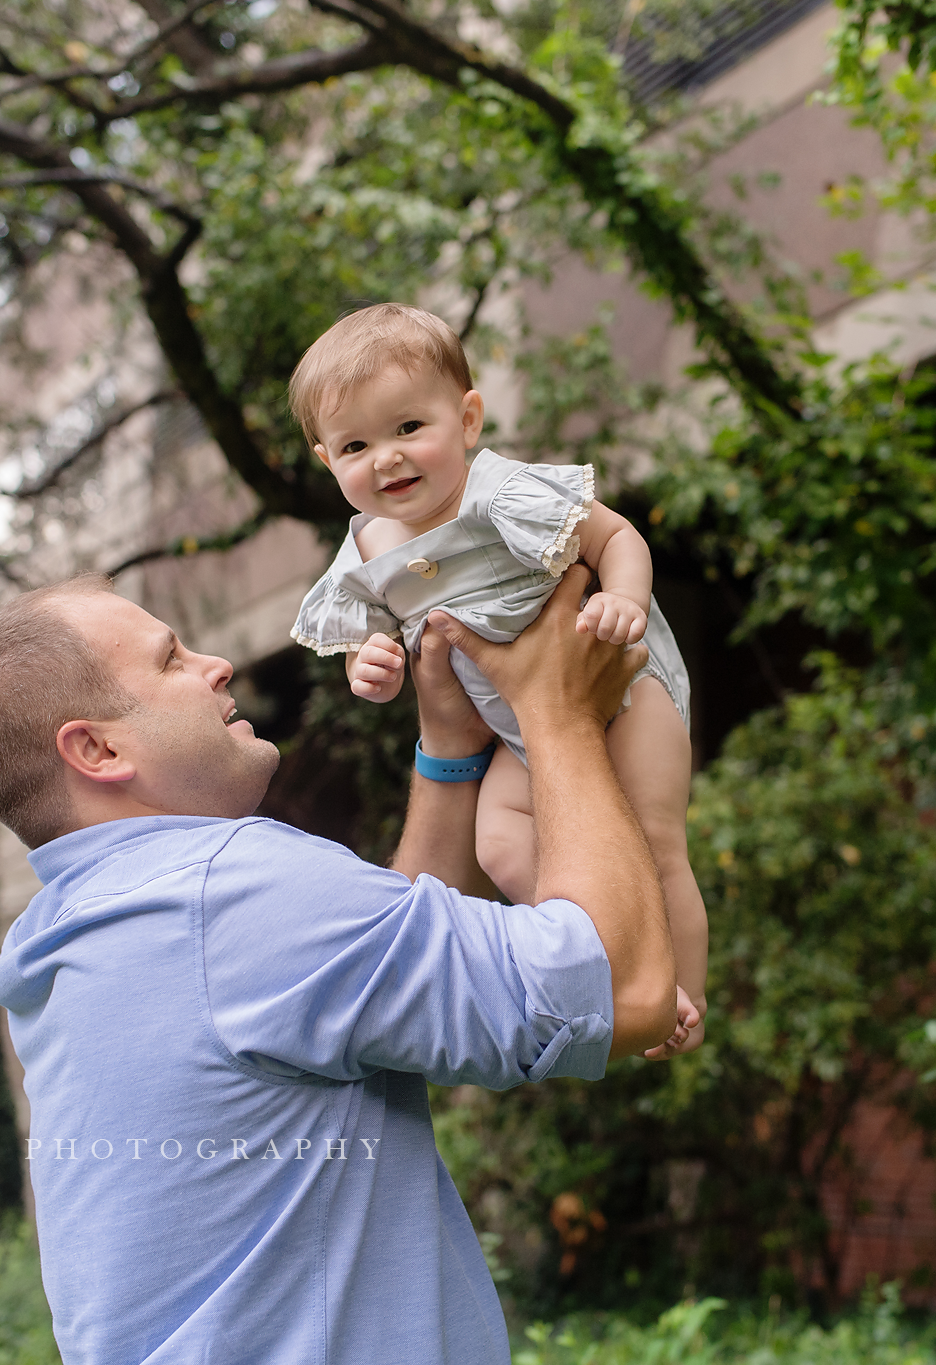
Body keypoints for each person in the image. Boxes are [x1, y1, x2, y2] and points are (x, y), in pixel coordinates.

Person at [0, 568, 677, 1365]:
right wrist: (558, 713)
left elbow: (377, 967)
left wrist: (450, 752)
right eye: (170, 659)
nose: (215, 664)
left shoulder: (79, 935)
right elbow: (624, 989)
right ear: (98, 747)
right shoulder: (231, 893)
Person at [287, 303, 706, 1057]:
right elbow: (369, 632)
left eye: (409, 428)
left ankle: (684, 987)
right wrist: (370, 664)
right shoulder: (365, 547)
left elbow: (616, 536)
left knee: (652, 836)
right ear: (327, 461)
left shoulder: (499, 493)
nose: (386, 457)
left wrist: (623, 598)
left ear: (469, 418)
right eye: (356, 444)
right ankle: (619, 964)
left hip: (625, 683)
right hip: (523, 726)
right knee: (500, 844)